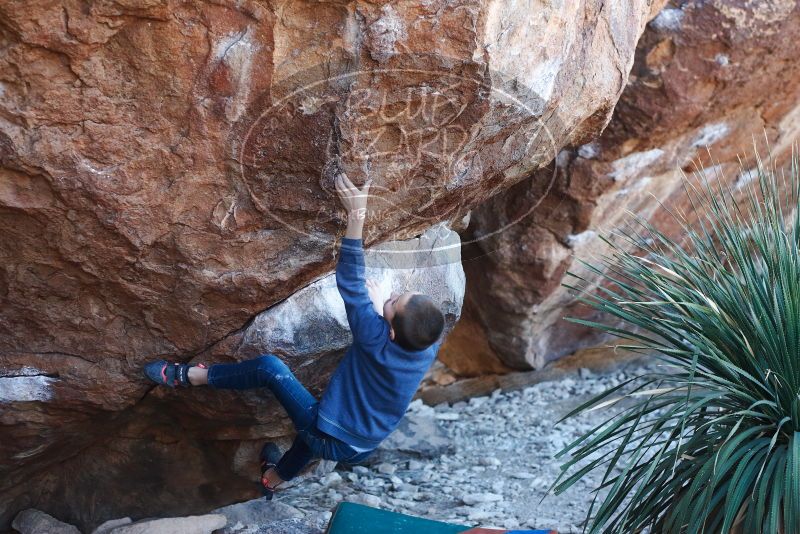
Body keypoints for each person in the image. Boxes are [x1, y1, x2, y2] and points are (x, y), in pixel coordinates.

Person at [143, 171, 446, 500]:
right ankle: (272, 479)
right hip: (362, 446)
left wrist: (356, 216)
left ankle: (191, 376)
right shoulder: (424, 345)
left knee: (271, 370)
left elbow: (350, 281)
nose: (391, 296)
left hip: (331, 436)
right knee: (313, 427)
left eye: (393, 302)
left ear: (388, 331)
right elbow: (389, 328)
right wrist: (379, 311)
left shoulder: (374, 336)